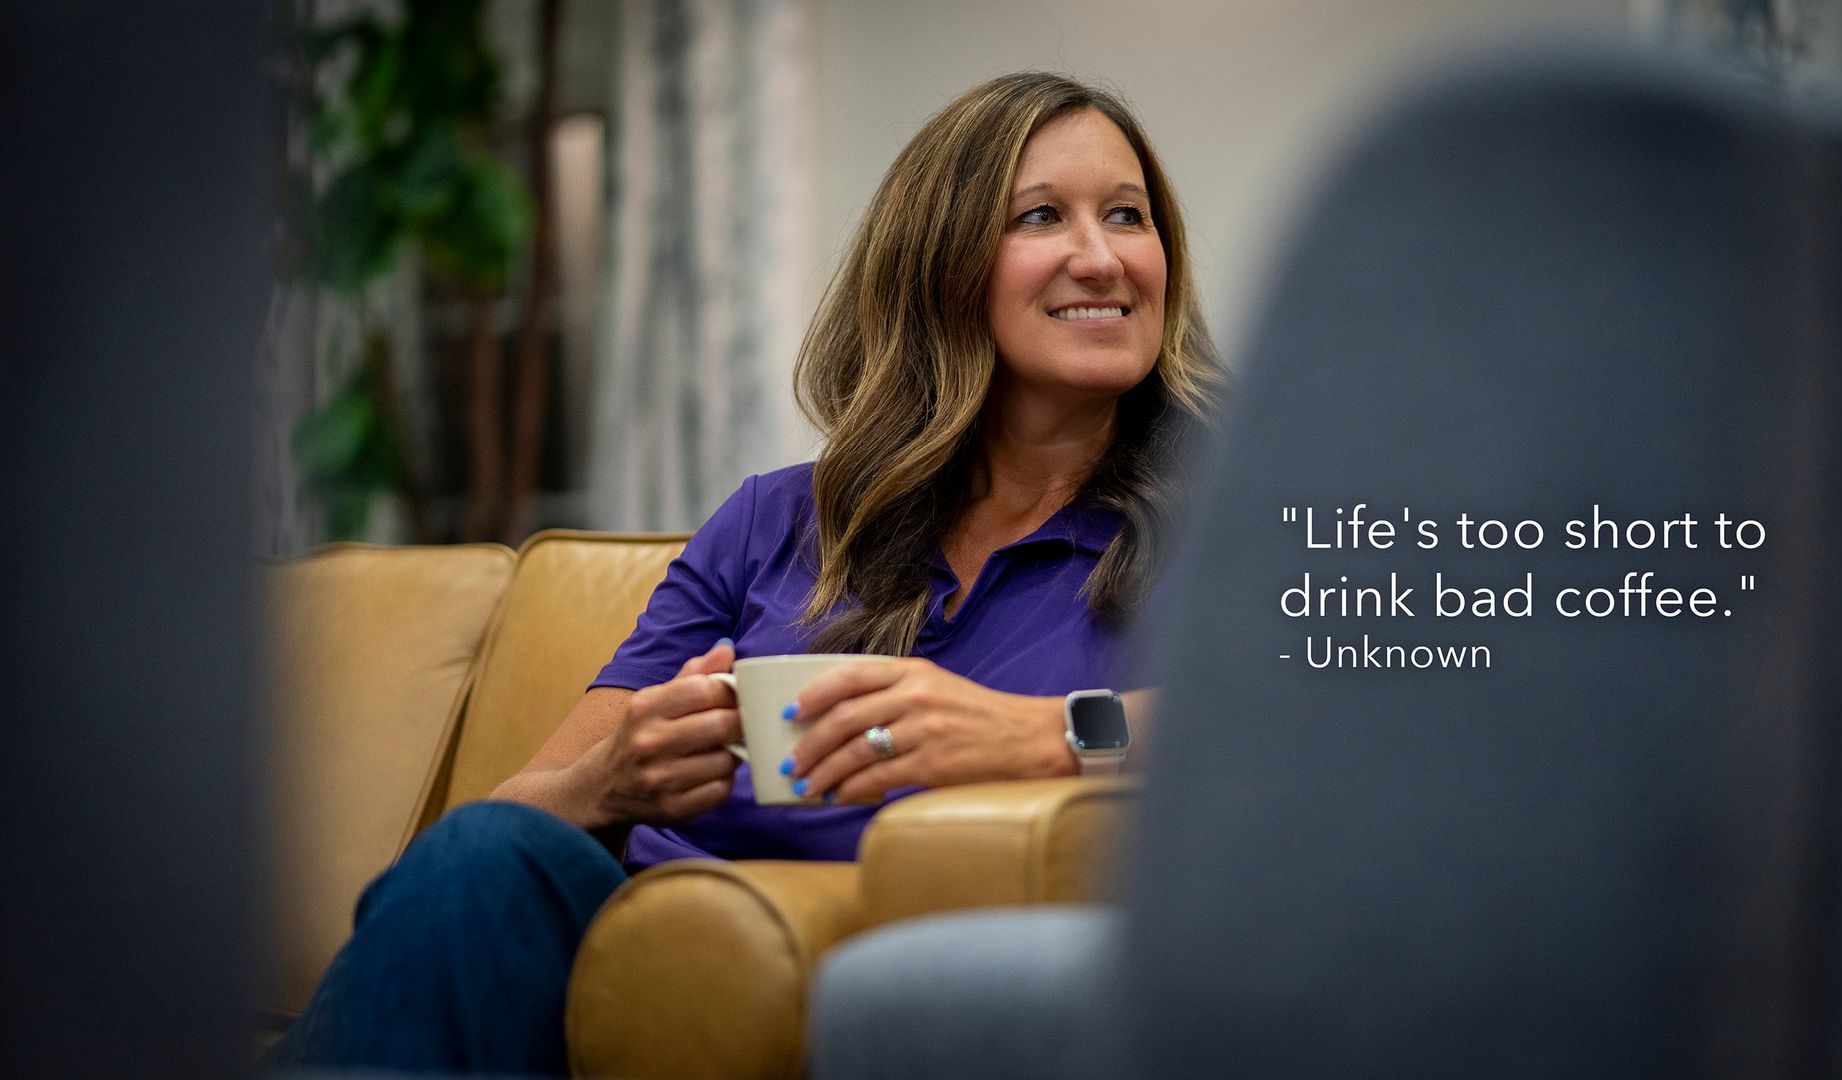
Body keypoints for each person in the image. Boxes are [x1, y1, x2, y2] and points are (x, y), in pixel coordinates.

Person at [266, 71, 1224, 1075]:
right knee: (472, 865)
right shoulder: (776, 520)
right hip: (616, 972)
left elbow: (1314, 725)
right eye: (1042, 217)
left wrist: (1039, 733)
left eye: (1129, 215)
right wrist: (615, 778)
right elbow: (498, 828)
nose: (1102, 256)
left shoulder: (1230, 512)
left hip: (893, 978)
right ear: (938, 265)